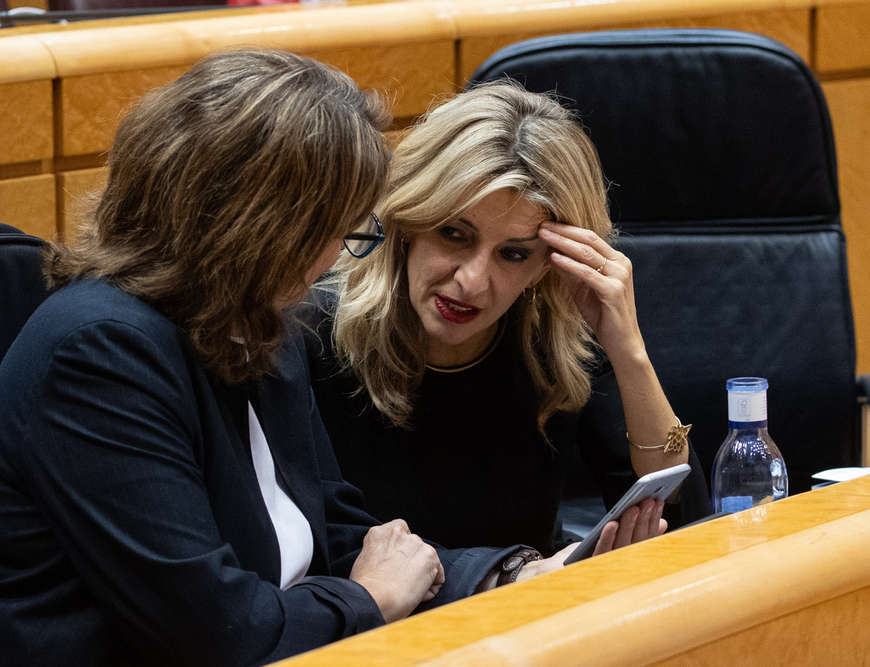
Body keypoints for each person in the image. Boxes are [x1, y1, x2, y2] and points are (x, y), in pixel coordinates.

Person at [0, 49, 543, 667]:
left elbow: (346, 539)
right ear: (255, 225)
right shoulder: (100, 355)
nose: (336, 257)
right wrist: (370, 598)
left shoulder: (264, 325)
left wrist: (513, 576)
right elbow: (217, 633)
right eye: (333, 230)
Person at [304, 80, 711, 558]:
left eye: (513, 254)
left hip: (525, 620)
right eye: (454, 234)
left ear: (548, 264)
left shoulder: (559, 342)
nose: (473, 282)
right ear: (408, 222)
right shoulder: (312, 335)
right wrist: (512, 573)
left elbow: (682, 514)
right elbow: (317, 550)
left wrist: (630, 352)